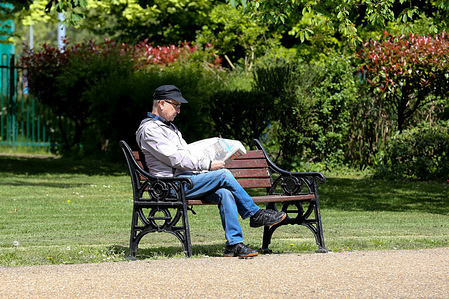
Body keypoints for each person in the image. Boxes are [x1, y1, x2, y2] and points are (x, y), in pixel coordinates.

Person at [136, 85, 286, 258]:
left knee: (224, 193)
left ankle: (234, 244)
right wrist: (207, 165)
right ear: (161, 103)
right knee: (223, 175)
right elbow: (175, 159)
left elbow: (183, 156)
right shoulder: (151, 130)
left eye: (179, 107)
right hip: (169, 186)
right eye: (176, 105)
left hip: (184, 181)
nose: (178, 111)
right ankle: (254, 214)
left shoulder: (168, 128)